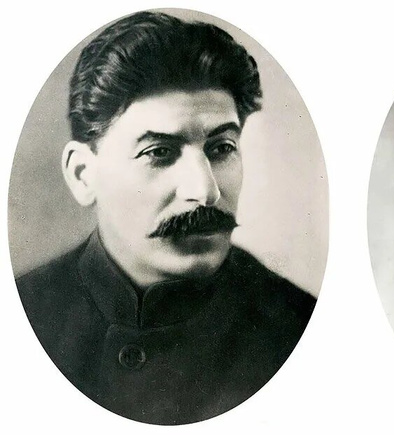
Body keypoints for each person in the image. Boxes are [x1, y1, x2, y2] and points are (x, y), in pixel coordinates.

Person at [15, 11, 316, 425]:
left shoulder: (297, 328)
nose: (205, 191)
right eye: (159, 152)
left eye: (222, 148)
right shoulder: (20, 315)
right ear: (83, 175)